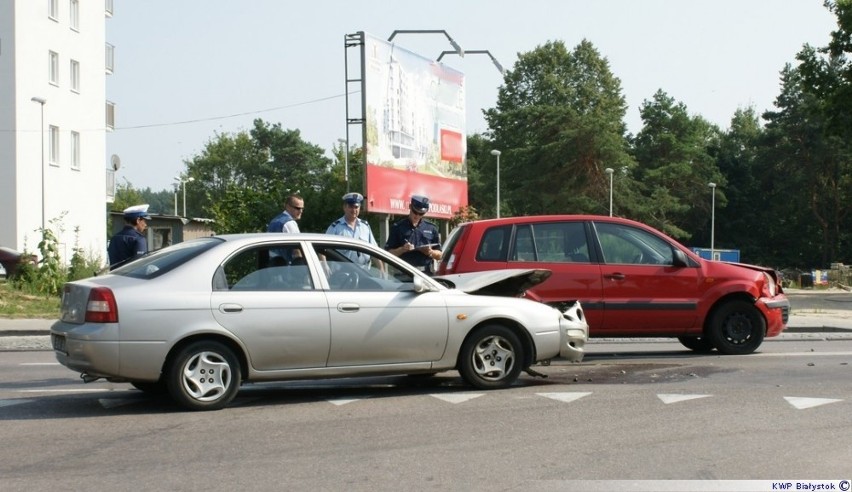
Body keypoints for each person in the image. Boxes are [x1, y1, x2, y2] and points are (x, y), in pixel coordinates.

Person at [385, 195, 442, 275]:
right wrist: (402, 249)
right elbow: (388, 253)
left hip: (425, 274)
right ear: (410, 206)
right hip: (404, 274)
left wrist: (430, 252)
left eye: (421, 213)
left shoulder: (431, 228)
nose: (417, 216)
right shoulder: (397, 227)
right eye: (415, 212)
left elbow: (440, 255)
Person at [326, 192, 379, 269]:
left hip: (364, 272)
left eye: (356, 207)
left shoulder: (365, 226)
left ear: (359, 208)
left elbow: (374, 250)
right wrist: (324, 266)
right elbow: (324, 249)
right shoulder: (336, 227)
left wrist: (381, 269)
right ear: (344, 207)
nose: (354, 210)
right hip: (342, 273)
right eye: (351, 206)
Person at [107, 204, 151, 270]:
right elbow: (140, 266)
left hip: (114, 278)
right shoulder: (139, 239)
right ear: (138, 220)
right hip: (132, 279)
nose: (145, 224)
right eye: (144, 221)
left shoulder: (114, 238)